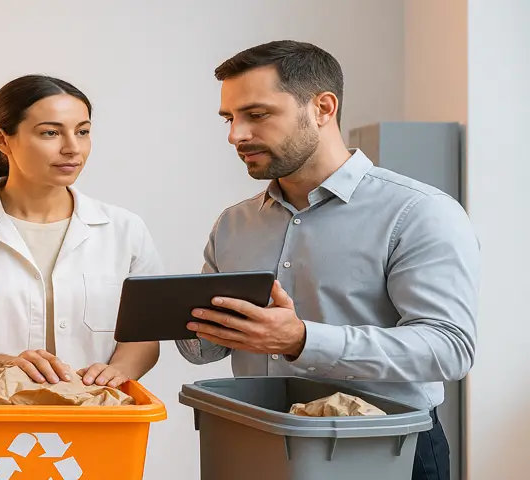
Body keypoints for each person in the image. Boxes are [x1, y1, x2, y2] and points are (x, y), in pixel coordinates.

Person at [175, 40, 479, 480]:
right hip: (255, 440)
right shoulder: (233, 224)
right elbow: (206, 350)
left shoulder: (418, 212)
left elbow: (449, 349)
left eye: (256, 115)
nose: (235, 135)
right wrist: (181, 319)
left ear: (323, 107)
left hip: (381, 450)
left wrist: (301, 340)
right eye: (230, 118)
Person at [0, 74, 161, 389]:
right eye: (50, 132)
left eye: (83, 132)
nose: (72, 148)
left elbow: (144, 336)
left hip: (97, 414)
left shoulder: (125, 229)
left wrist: (118, 370)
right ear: (2, 139)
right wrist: (10, 365)